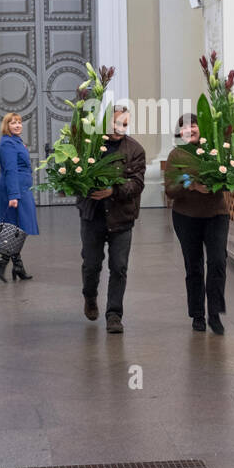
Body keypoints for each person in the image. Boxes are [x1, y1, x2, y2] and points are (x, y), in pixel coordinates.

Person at [78, 105, 145, 334]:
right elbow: (75, 174)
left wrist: (113, 191)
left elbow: (137, 184)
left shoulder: (135, 149)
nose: (120, 128)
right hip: (93, 215)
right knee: (91, 264)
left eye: (124, 124)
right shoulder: (90, 147)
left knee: (119, 267)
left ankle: (114, 314)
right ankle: (90, 296)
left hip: (121, 217)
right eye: (116, 123)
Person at [164, 113, 229, 335]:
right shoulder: (177, 155)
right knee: (194, 266)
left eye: (194, 125)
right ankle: (198, 315)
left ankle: (215, 313)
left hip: (216, 215)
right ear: (179, 132)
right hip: (186, 216)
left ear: (201, 128)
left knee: (218, 261)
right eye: (184, 127)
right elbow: (171, 188)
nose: (190, 129)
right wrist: (191, 184)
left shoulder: (215, 151)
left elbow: (227, 178)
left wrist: (217, 183)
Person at [0, 112, 38, 281]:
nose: (18, 125)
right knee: (15, 227)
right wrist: (13, 195)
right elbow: (10, 170)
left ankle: (13, 265)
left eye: (19, 122)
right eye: (13, 123)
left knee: (19, 227)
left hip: (21, 188)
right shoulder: (7, 143)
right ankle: (9, 263)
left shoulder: (17, 141)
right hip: (13, 189)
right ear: (6, 126)